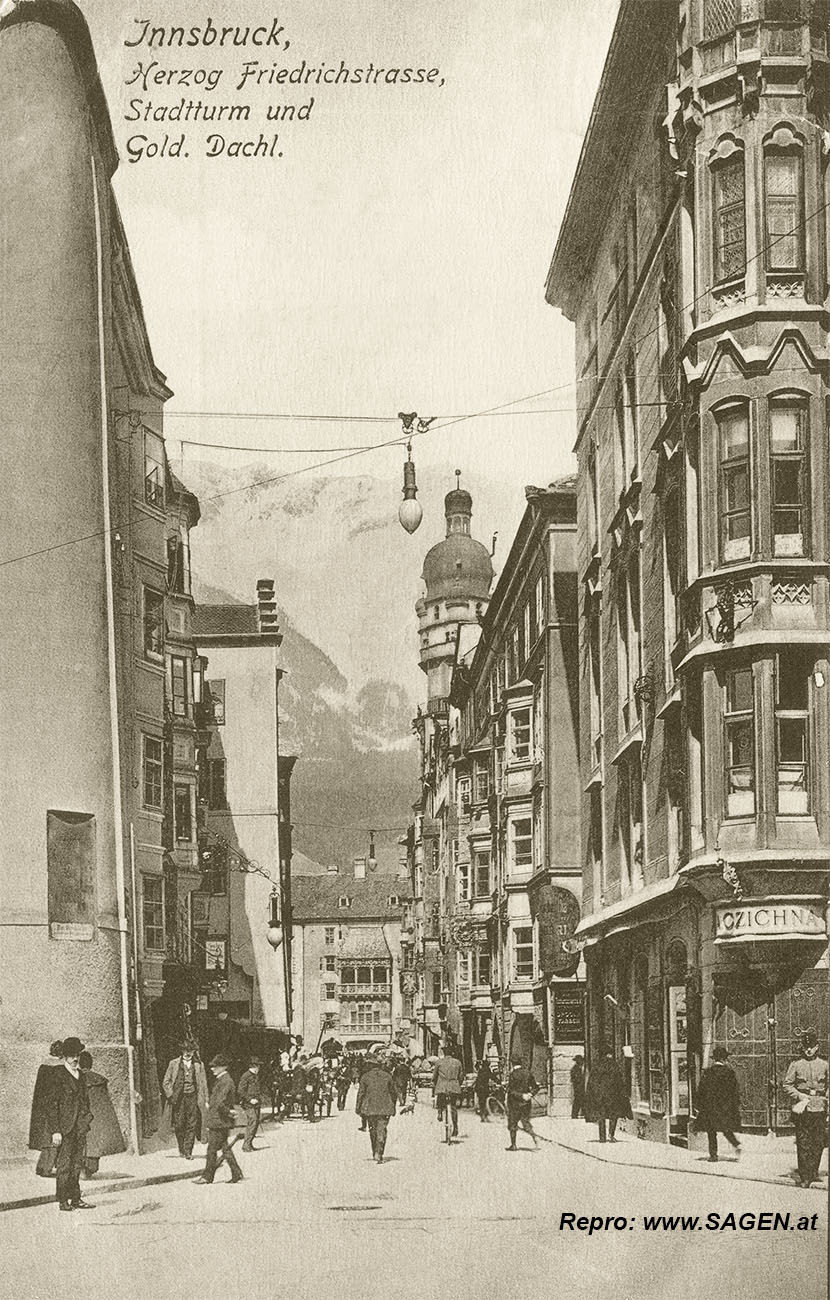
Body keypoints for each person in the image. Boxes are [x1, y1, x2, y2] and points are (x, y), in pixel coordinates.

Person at [46, 1036, 93, 1212]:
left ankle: (76, 1198)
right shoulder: (57, 1074)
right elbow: (52, 1105)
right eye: (72, 1056)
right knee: (64, 1165)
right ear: (65, 1056)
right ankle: (63, 1200)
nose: (75, 1059)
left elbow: (84, 1101)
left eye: (77, 1055)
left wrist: (87, 1118)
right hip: (64, 1129)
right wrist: (55, 1131)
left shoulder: (80, 1075)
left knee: (76, 1164)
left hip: (79, 1127)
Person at [783, 1028, 828, 1188]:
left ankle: (813, 1171)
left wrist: (826, 1099)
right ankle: (805, 1175)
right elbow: (787, 1085)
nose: (809, 1050)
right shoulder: (796, 1065)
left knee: (818, 1141)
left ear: (817, 1047)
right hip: (802, 1109)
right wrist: (799, 1095)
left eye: (812, 1046)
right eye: (806, 1047)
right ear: (802, 1048)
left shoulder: (824, 1065)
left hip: (819, 1108)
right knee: (803, 1142)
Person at [193, 1054, 243, 1185]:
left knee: (212, 1150)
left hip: (219, 1121)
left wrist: (228, 1112)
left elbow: (221, 1103)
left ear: (224, 1067)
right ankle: (236, 1172)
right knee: (225, 1148)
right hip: (220, 1120)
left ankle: (207, 1177)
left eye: (215, 1066)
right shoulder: (223, 1080)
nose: (212, 1069)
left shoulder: (225, 1081)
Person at [79, 1051, 126, 1177]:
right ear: (91, 1064)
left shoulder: (76, 1078)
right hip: (96, 1119)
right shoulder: (99, 1080)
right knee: (95, 1145)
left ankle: (81, 1170)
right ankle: (88, 1171)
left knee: (81, 1143)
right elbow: (104, 1103)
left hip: (82, 1117)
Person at [695, 1046, 741, 1163]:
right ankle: (736, 1144)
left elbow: (701, 1090)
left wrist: (699, 1105)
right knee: (726, 1128)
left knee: (711, 1131)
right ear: (724, 1059)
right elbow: (734, 1091)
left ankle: (713, 1155)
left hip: (710, 1106)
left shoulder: (708, 1072)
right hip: (724, 1106)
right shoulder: (729, 1072)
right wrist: (734, 1105)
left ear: (714, 1059)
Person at [162, 1040, 208, 1159]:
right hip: (178, 1098)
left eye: (191, 1051)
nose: (188, 1053)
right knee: (179, 1125)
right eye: (186, 1050)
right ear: (182, 1051)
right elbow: (166, 1082)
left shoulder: (199, 1065)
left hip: (193, 1097)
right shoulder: (173, 1063)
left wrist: (206, 1099)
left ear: (193, 1052)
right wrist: (171, 1095)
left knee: (192, 1124)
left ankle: (188, 1151)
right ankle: (181, 1149)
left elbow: (203, 1083)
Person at [29, 1040, 64, 1177]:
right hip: (53, 1108)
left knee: (48, 1140)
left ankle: (43, 1167)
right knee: (53, 1141)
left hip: (42, 1108)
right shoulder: (56, 1069)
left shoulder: (43, 1067)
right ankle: (45, 1168)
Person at [355, 1050, 397, 1163]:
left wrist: (358, 1108)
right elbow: (394, 1093)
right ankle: (379, 1152)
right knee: (382, 1130)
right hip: (384, 1108)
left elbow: (361, 1094)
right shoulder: (387, 1076)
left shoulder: (365, 1077)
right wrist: (393, 1106)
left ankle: (375, 1151)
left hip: (370, 1108)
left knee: (372, 1130)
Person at [584, 1047, 632, 1143]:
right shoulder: (614, 1065)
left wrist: (594, 1094)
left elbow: (592, 1082)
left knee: (601, 1116)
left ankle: (602, 1137)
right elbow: (619, 1081)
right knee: (613, 1115)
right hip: (612, 1095)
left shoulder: (597, 1066)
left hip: (600, 1096)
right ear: (609, 1054)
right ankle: (611, 1134)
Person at [506, 1060, 540, 1151]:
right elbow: (536, 1087)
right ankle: (534, 1136)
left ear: (512, 1064)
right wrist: (530, 1094)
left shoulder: (513, 1074)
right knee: (525, 1122)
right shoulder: (528, 1073)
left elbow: (511, 1091)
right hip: (526, 1103)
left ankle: (513, 1145)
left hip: (515, 1103)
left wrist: (521, 1095)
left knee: (512, 1124)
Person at [432, 1044, 464, 1138]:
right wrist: (458, 1084)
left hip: (442, 1086)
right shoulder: (457, 1062)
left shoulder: (439, 1062)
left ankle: (440, 1112)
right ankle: (455, 1127)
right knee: (453, 1107)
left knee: (440, 1099)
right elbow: (461, 1076)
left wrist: (434, 1082)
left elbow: (434, 1076)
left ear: (444, 1052)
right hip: (454, 1087)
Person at [238, 1056, 263, 1152]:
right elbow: (240, 1091)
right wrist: (249, 1100)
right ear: (252, 1066)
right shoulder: (246, 1076)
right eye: (256, 1066)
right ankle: (246, 1145)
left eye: (258, 1067)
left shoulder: (256, 1076)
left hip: (257, 1103)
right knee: (253, 1121)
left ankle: (250, 1143)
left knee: (255, 1123)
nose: (258, 1069)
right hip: (248, 1104)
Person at [570, 1055, 586, 1120]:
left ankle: (578, 1114)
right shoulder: (575, 1069)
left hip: (580, 1087)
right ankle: (574, 1115)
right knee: (578, 1101)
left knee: (581, 1101)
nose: (582, 1062)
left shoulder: (578, 1068)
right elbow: (576, 1079)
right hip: (578, 1087)